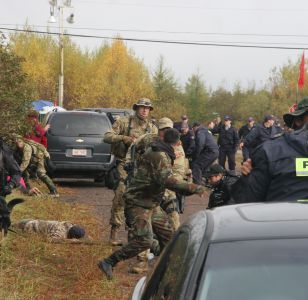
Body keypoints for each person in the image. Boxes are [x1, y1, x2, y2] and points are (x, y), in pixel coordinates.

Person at [98, 129, 206, 280]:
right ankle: (109, 262)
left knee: (169, 237)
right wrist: (194, 187)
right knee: (144, 240)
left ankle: (166, 273)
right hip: (138, 203)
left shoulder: (160, 150)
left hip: (150, 203)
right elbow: (168, 181)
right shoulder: (159, 155)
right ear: (177, 143)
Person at [234, 89, 308, 203]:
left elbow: (244, 203)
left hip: (282, 223)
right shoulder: (271, 149)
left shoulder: (271, 149)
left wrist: (248, 176)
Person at [103, 98, 157, 244]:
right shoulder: (124, 122)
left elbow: (159, 146)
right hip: (124, 164)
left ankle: (137, 234)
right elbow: (107, 137)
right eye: (142, 108)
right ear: (136, 108)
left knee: (143, 201)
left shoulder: (152, 128)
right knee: (121, 195)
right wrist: (123, 138)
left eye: (148, 108)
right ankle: (114, 232)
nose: (145, 110)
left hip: (143, 168)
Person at [15, 219, 85, 241]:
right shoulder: (61, 233)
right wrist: (70, 241)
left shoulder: (68, 225)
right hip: (29, 227)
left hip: (33, 221)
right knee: (11, 226)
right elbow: (51, 239)